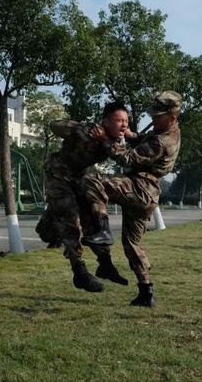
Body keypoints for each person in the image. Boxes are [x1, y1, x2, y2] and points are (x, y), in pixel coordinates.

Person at [82, 90, 182, 308]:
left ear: (171, 118)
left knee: (92, 180)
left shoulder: (163, 141)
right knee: (132, 244)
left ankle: (101, 230)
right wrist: (131, 135)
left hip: (139, 188)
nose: (153, 119)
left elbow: (127, 158)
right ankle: (146, 292)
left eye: (157, 116)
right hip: (149, 196)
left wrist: (104, 139)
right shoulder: (169, 132)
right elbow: (145, 140)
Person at [36, 102, 131, 293]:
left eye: (126, 121)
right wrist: (79, 127)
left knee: (91, 216)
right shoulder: (87, 131)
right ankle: (79, 272)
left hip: (79, 177)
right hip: (58, 174)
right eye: (119, 120)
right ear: (105, 121)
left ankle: (105, 264)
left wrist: (128, 135)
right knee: (70, 218)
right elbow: (55, 125)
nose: (124, 125)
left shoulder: (111, 142)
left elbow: (126, 157)